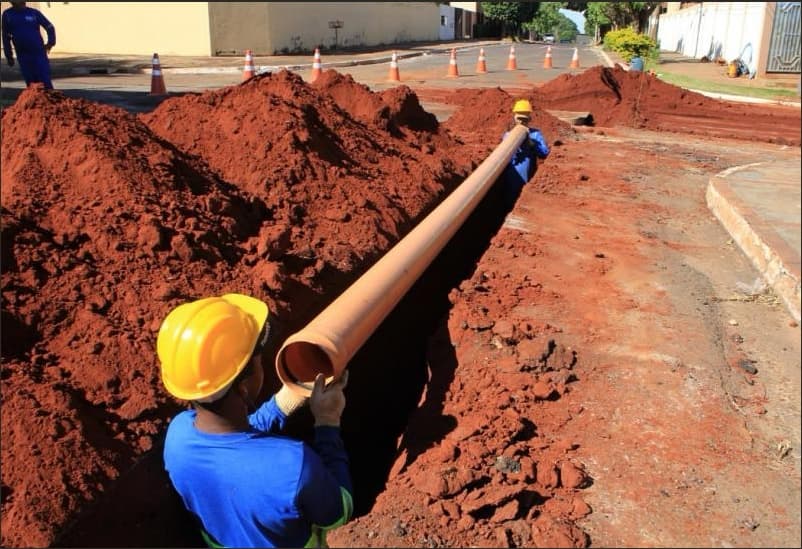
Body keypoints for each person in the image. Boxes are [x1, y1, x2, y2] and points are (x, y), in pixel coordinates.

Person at [157, 293, 353, 548]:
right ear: (243, 387)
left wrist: (288, 398)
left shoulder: (178, 435)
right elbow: (340, 513)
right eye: (258, 361)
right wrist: (328, 422)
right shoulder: (294, 466)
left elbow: (237, 440)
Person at [500, 99, 550, 207]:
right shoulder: (508, 135)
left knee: (520, 197)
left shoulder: (535, 134)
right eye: (520, 118)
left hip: (525, 174)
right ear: (515, 117)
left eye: (524, 118)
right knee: (509, 197)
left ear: (529, 118)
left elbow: (544, 153)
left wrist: (532, 144)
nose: (522, 121)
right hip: (510, 173)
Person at [2, 0, 56, 89]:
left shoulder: (34, 13)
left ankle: (50, 100)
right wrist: (9, 56)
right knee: (31, 82)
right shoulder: (7, 14)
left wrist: (51, 42)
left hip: (38, 53)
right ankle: (34, 102)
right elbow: (5, 36)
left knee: (44, 80)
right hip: (22, 54)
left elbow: (50, 27)